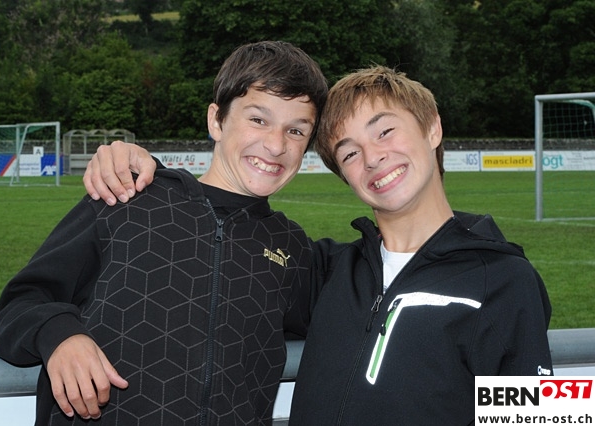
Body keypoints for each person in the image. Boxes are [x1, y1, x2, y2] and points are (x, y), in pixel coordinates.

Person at [83, 65, 554, 425]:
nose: (373, 157)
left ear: (432, 127)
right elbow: (222, 256)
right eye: (349, 153)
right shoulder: (323, 269)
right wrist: (130, 159)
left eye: (385, 131)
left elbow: (542, 416)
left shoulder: (505, 279)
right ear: (343, 175)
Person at [0, 40, 328, 426]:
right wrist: (59, 335)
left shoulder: (292, 249)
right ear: (216, 121)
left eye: (296, 130)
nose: (276, 144)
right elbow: (21, 302)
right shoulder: (126, 197)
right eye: (258, 119)